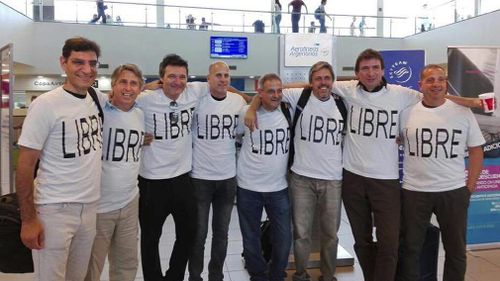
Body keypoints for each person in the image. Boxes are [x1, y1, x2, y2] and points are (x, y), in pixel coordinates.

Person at [331, 49, 481, 281]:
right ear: (357, 73)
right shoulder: (352, 91)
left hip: (423, 186)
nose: (370, 73)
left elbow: (438, 101)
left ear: (383, 70)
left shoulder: (404, 96)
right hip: (394, 186)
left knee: (403, 245)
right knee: (391, 246)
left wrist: (469, 186)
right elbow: (314, 83)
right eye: (365, 68)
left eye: (375, 68)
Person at [16, 36, 106, 281]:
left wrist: (159, 84)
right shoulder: (46, 105)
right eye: (78, 62)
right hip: (54, 209)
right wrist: (28, 219)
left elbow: (129, 94)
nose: (87, 69)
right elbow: (25, 165)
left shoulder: (96, 98)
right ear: (63, 63)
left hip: (89, 208)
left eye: (92, 63)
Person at [245, 61, 345, 281]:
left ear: (333, 81)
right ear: (311, 82)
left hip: (333, 179)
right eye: (317, 78)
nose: (323, 83)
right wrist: (252, 108)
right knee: (301, 234)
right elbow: (265, 92)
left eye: (327, 78)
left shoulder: (342, 103)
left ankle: (328, 276)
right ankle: (300, 274)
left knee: (331, 235)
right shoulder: (298, 96)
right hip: (301, 178)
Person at [398, 65, 485, 281]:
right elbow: (397, 141)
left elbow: (476, 150)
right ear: (420, 85)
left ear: (446, 84)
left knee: (455, 251)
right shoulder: (406, 112)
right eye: (430, 80)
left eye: (441, 79)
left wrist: (469, 187)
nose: (436, 84)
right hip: (414, 191)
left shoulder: (462, 112)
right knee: (410, 250)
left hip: (453, 191)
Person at [136, 54, 208, 281]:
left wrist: (252, 103)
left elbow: (221, 84)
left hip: (182, 179)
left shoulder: (194, 92)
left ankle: (174, 276)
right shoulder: (145, 98)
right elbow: (118, 100)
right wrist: (137, 136)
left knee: (189, 234)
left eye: (182, 77)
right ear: (161, 78)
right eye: (171, 77)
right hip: (151, 181)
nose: (177, 81)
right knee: (150, 238)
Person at [85, 64, 145, 281]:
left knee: (126, 265)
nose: (128, 88)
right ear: (113, 85)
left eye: (134, 83)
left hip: (129, 202)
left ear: (140, 88)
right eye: (123, 82)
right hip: (100, 206)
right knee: (91, 267)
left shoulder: (140, 113)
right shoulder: (99, 110)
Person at [188, 61, 247, 281]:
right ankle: (195, 276)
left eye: (226, 75)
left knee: (221, 234)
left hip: (227, 178)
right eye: (218, 75)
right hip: (200, 178)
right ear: (209, 78)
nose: (223, 79)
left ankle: (216, 276)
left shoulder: (237, 101)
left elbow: (243, 129)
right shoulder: (198, 100)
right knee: (199, 235)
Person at [236, 73, 292, 281]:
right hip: (248, 187)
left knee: (284, 239)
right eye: (270, 91)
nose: (276, 95)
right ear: (260, 93)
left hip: (278, 188)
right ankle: (258, 276)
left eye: (279, 91)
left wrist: (254, 103)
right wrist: (252, 106)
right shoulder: (245, 114)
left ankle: (277, 275)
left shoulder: (288, 110)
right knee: (250, 238)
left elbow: (307, 86)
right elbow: (234, 136)